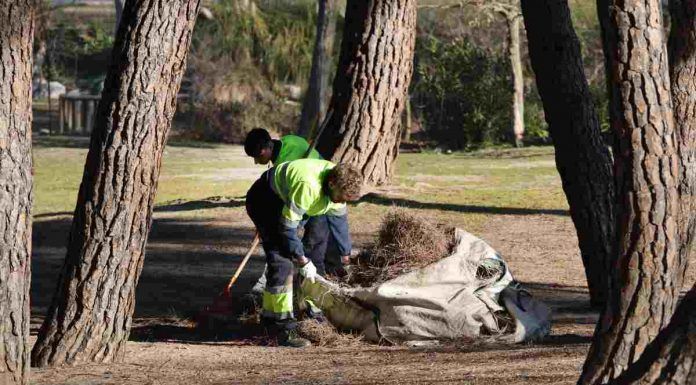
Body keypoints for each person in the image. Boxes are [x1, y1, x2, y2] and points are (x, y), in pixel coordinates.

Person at [245, 159, 362, 347]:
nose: (342, 202)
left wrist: (346, 258)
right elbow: (286, 229)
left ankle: (268, 318)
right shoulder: (308, 186)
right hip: (266, 200)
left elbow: (339, 223)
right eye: (341, 197)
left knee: (309, 250)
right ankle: (281, 328)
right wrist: (302, 260)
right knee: (282, 261)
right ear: (331, 184)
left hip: (288, 199)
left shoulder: (339, 185)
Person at [243, 128, 321, 166]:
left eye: (256, 157)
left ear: (263, 151)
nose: (256, 162)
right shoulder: (289, 138)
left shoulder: (282, 166)